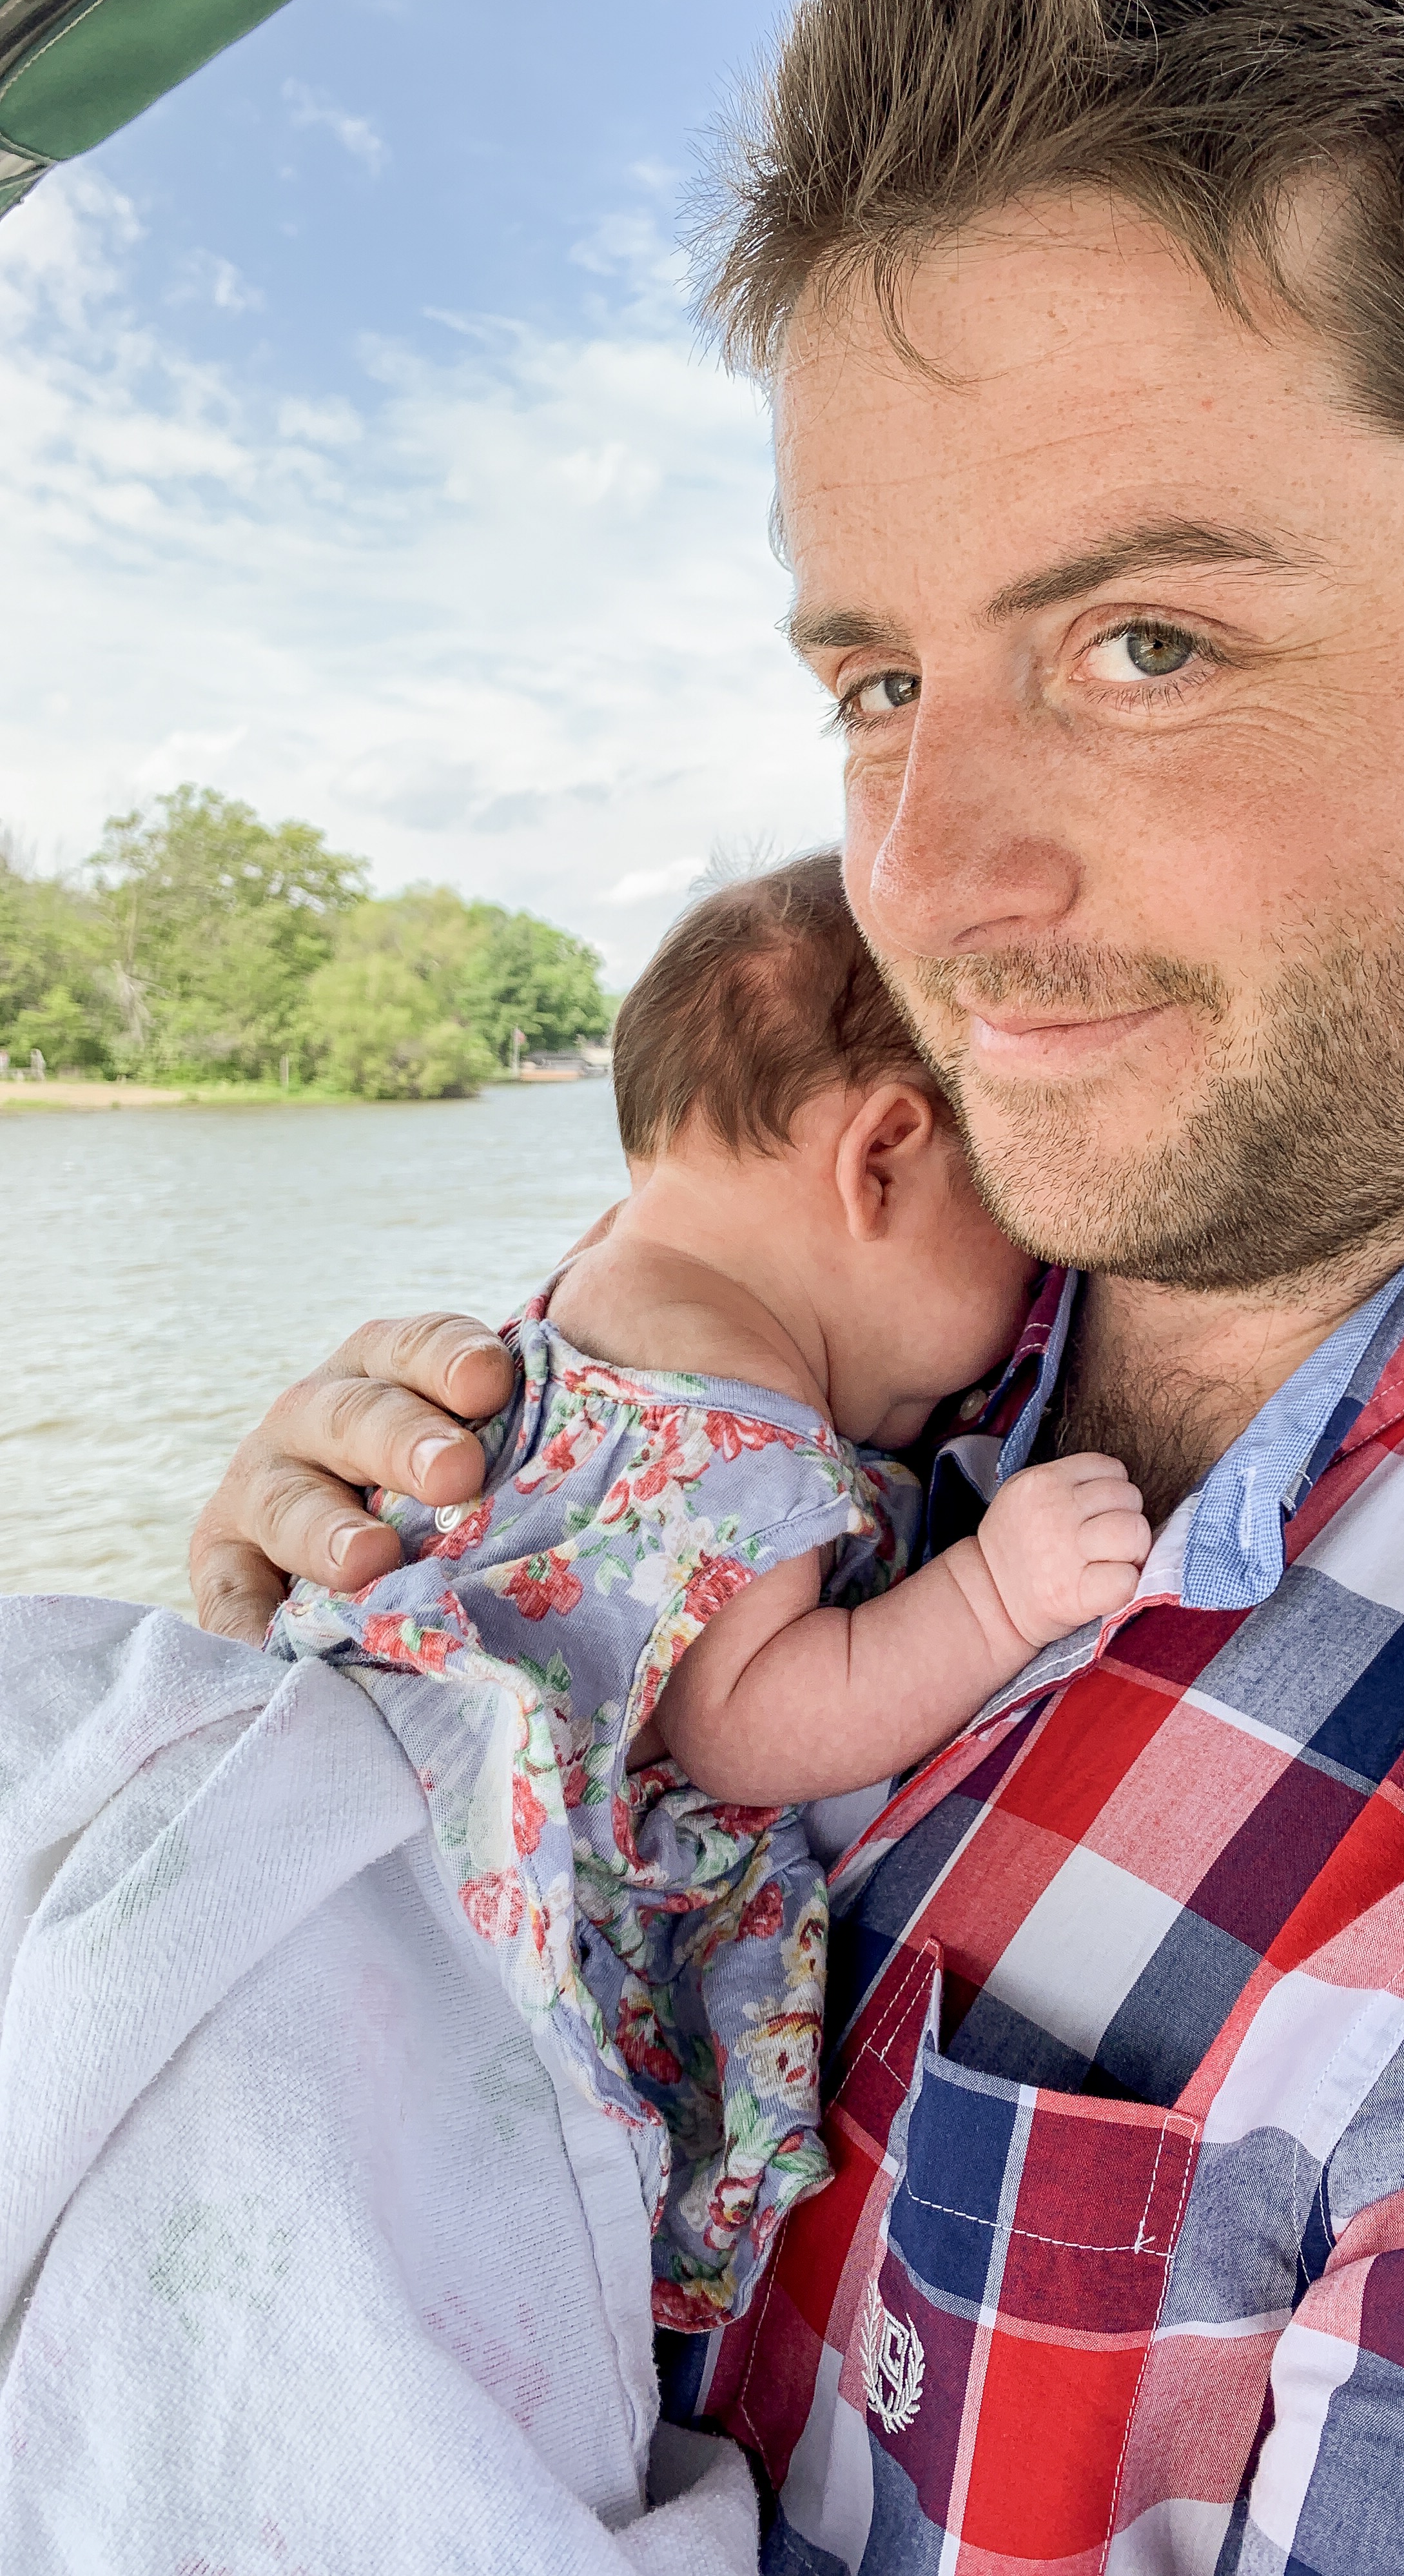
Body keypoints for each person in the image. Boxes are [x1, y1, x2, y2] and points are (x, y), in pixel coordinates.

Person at [190, 0, 1404, 2567]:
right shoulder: (835, 1351)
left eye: (1148, 644)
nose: (935, 876)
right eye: (882, 680)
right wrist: (323, 1696)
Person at [266, 852, 1149, 2335]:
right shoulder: (740, 1410)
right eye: (1013, 1209)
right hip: (535, 1940)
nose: (1033, 1293)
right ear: (882, 1158)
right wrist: (996, 1595)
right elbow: (745, 1720)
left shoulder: (576, 1301)